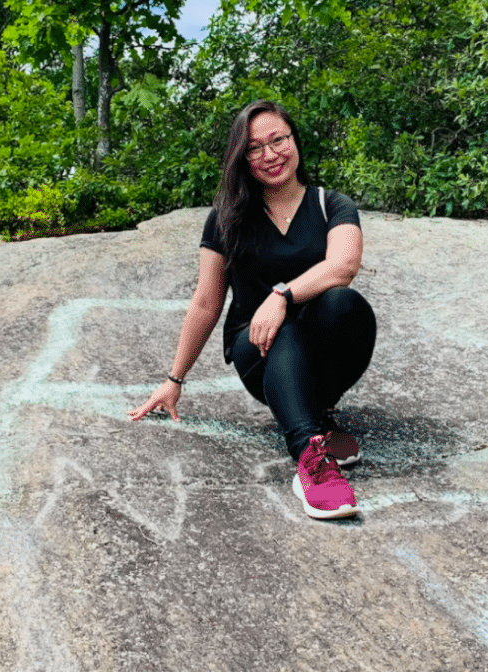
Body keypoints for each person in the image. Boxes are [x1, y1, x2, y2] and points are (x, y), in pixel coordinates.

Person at [128, 99, 377, 520]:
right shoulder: (227, 219)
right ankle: (311, 459)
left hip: (319, 348)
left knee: (343, 303)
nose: (270, 155)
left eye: (278, 140)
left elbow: (344, 265)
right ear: (241, 160)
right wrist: (175, 379)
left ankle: (319, 414)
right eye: (254, 148)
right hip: (258, 351)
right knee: (282, 331)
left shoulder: (330, 205)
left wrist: (281, 296)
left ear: (294, 140)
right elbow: (207, 302)